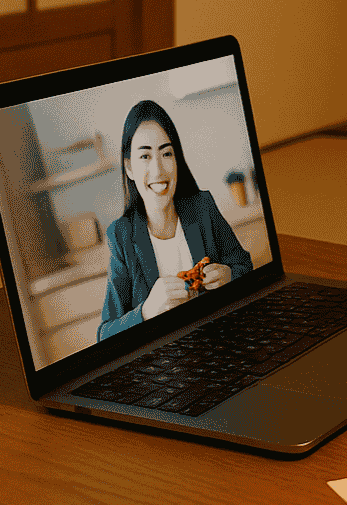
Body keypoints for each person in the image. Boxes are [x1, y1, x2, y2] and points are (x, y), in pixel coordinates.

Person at [98, 100, 253, 341]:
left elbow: (246, 268)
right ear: (129, 168)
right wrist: (147, 312)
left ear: (177, 160)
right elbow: (104, 335)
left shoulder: (203, 207)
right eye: (145, 156)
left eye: (166, 153)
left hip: (221, 343)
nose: (158, 169)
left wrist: (229, 276)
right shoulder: (121, 236)